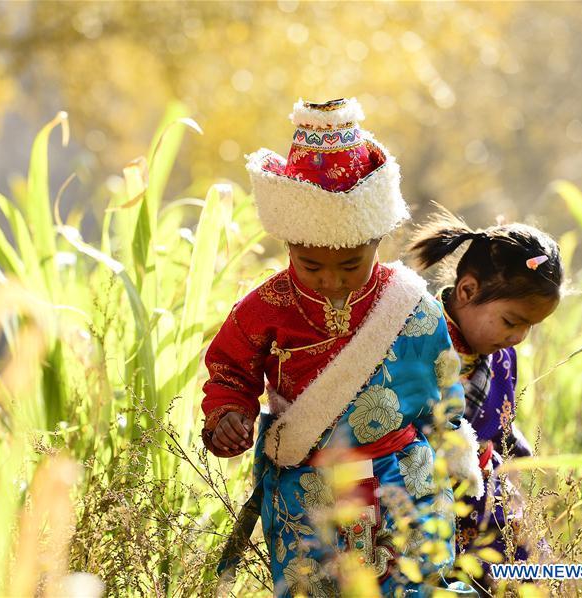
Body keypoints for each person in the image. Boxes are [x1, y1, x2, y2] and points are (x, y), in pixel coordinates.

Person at [201, 98, 481, 596]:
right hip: (307, 493)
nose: (331, 280)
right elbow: (229, 375)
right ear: (288, 245)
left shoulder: (412, 308)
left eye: (351, 265)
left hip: (404, 481)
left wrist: (454, 457)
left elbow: (443, 394)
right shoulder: (262, 309)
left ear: (378, 240)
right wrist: (228, 416)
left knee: (414, 586)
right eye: (310, 265)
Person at [408, 209, 563, 591]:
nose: (520, 337)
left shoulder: (502, 356)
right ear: (467, 291)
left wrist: (519, 457)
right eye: (512, 322)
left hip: (488, 503)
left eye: (530, 326)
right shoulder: (415, 340)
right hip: (425, 501)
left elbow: (502, 425)